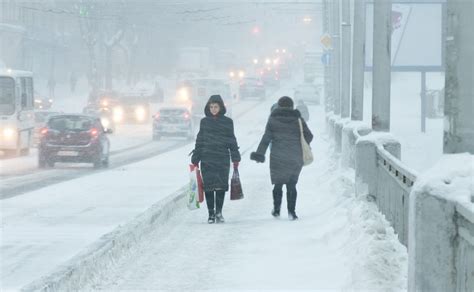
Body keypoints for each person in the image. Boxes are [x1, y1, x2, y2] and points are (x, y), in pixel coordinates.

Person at [250, 96, 313, 220]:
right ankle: (291, 212)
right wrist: (297, 142)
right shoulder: (298, 119)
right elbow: (309, 136)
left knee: (278, 185)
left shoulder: (273, 120)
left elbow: (266, 138)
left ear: (279, 106)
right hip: (295, 156)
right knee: (292, 185)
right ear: (291, 106)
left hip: (278, 156)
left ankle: (277, 210)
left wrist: (260, 154)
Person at [191, 95, 241, 224]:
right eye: (211, 107)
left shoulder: (227, 122)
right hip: (207, 158)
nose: (213, 109)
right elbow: (200, 140)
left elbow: (232, 140)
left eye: (216, 107)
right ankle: (211, 214)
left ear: (221, 107)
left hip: (222, 158)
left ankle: (219, 212)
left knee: (220, 187)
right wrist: (196, 157)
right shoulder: (204, 122)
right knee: (208, 187)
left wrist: (235, 157)